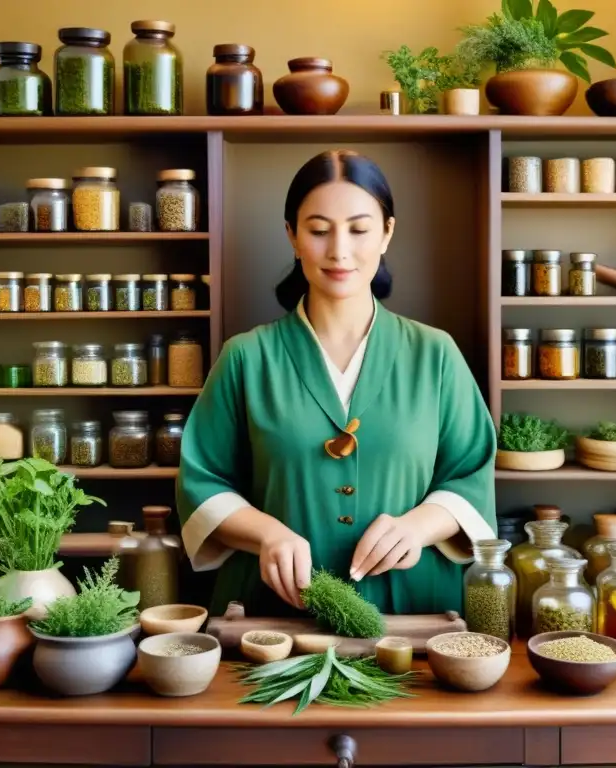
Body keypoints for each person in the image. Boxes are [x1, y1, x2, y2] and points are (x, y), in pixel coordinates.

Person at [176, 149, 496, 618]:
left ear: (387, 232)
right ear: (292, 235)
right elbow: (201, 480)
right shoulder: (246, 357)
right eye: (319, 230)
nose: (339, 250)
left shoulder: (435, 354)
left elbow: (472, 475)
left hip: (416, 615)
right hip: (275, 616)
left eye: (360, 229)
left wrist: (417, 527)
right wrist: (268, 533)